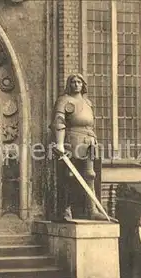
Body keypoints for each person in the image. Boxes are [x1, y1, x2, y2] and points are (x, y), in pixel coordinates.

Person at [50, 74, 116, 222]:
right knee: (69, 175)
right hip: (72, 139)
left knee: (90, 174)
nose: (76, 84)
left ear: (83, 84)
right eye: (73, 82)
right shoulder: (64, 100)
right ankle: (65, 210)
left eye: (79, 82)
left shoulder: (87, 103)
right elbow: (59, 121)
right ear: (69, 84)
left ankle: (92, 210)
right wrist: (60, 143)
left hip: (89, 140)